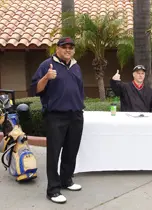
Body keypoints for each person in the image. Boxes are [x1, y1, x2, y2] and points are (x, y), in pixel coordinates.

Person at [31, 37, 85, 204]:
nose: (68, 50)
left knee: (71, 150)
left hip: (75, 114)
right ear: (57, 49)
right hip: (56, 115)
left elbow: (79, 89)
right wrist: (47, 77)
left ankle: (66, 180)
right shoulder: (47, 65)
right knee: (54, 154)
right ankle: (53, 190)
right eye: (64, 47)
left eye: (71, 47)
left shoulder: (76, 66)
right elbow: (35, 89)